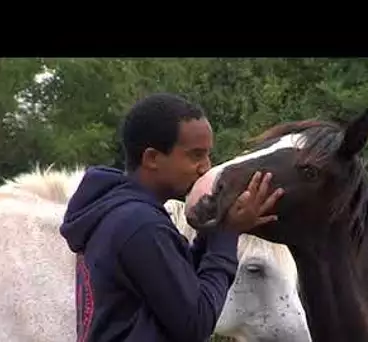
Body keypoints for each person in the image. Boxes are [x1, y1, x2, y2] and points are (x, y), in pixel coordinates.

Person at [59, 93, 284, 342]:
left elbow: (178, 289)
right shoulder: (140, 225)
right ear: (152, 158)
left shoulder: (116, 213)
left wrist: (214, 229)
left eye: (208, 154)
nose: (206, 167)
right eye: (195, 155)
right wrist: (227, 234)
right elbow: (196, 323)